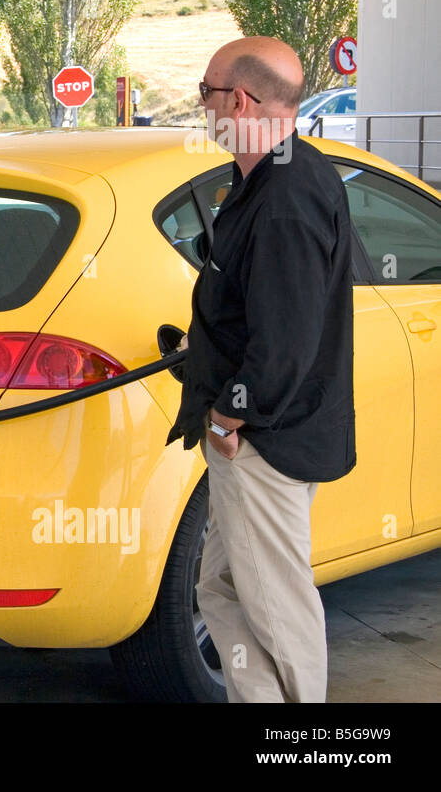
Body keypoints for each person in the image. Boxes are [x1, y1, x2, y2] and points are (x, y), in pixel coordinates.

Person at [167, 36, 356, 702]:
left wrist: (227, 414)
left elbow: (284, 343)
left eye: (205, 93)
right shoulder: (271, 176)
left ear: (239, 101)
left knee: (277, 607)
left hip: (264, 441)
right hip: (265, 432)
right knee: (223, 589)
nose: (202, 105)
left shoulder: (284, 198)